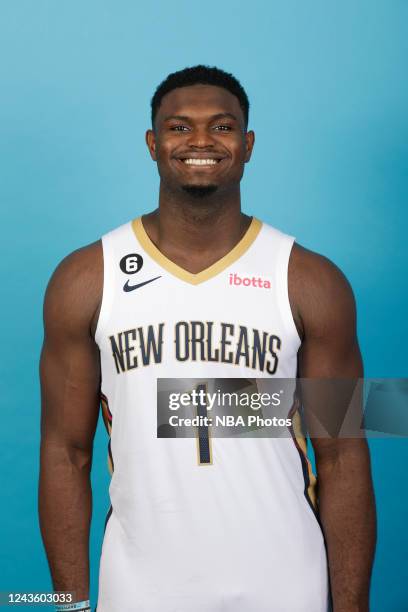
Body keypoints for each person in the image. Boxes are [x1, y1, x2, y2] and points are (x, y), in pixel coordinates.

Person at [39, 65, 376, 612]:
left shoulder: (311, 280)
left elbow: (342, 451)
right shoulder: (86, 278)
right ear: (152, 144)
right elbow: (65, 453)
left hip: (288, 581)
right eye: (178, 127)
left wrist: (352, 606)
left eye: (221, 127)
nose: (199, 140)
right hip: (139, 587)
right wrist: (70, 605)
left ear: (247, 144)